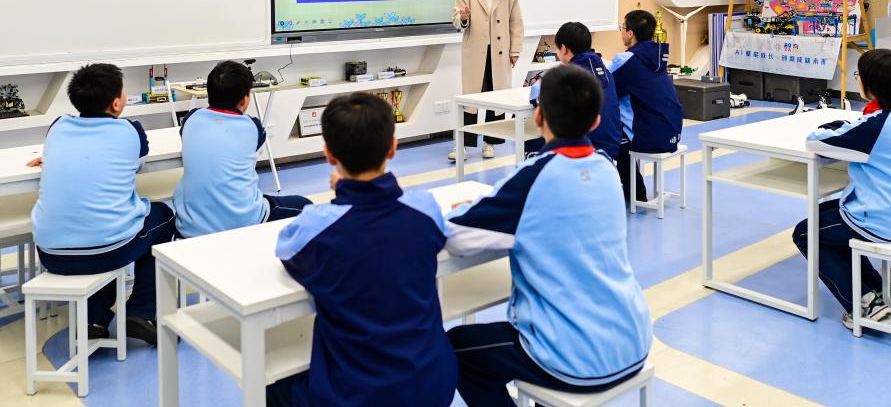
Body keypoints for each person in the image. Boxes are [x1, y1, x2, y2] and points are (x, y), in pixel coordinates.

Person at [445, 66, 652, 406]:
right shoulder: (606, 168)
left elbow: (457, 238)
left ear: (538, 116)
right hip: (633, 340)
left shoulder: (533, 179)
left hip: (571, 357)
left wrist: (470, 209)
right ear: (596, 121)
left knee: (457, 349)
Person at [267, 93, 456, 407]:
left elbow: (287, 249)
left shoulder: (315, 227)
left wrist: (341, 193)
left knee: (271, 392)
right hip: (433, 385)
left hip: (356, 395)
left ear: (329, 155)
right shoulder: (425, 209)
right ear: (393, 147)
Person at [30, 63, 174, 345]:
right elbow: (137, 163)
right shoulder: (131, 130)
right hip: (109, 250)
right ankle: (141, 312)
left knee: (96, 223)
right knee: (162, 215)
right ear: (117, 103)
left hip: (50, 253)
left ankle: (94, 319)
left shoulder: (57, 127)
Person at [793, 49, 891, 330]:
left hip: (883, 218)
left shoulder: (876, 124)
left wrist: (835, 126)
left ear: (871, 85)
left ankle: (862, 304)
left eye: (859, 76)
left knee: (806, 233)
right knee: (825, 218)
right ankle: (874, 292)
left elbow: (815, 140)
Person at [173, 60, 311, 238]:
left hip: (190, 226)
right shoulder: (253, 127)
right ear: (245, 100)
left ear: (209, 93)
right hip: (244, 221)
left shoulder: (190, 119)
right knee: (305, 206)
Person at [451, 0, 524, 161]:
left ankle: (490, 143)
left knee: (496, 99)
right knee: (470, 100)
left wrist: (515, 50)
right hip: (475, 53)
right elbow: (456, 20)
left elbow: (516, 22)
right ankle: (464, 145)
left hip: (499, 54)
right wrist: (463, 17)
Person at [609, 9, 683, 202]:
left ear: (630, 33)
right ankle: (634, 190)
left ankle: (634, 193)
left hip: (650, 135)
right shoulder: (657, 56)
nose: (621, 31)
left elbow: (606, 89)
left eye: (622, 27)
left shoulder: (626, 60)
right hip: (672, 131)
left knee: (611, 133)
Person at [525, 21, 621, 160]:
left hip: (582, 146)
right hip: (611, 145)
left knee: (532, 141)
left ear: (564, 48)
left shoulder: (567, 76)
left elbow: (537, 99)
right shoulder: (606, 72)